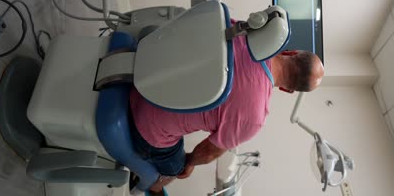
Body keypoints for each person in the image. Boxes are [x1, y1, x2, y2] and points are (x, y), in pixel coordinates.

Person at [129, 25, 324, 195]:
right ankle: (146, 188)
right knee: (176, 167)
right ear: (288, 90)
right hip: (145, 120)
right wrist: (189, 163)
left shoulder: (245, 30)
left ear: (290, 52)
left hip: (146, 62)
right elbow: (207, 153)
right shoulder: (254, 118)